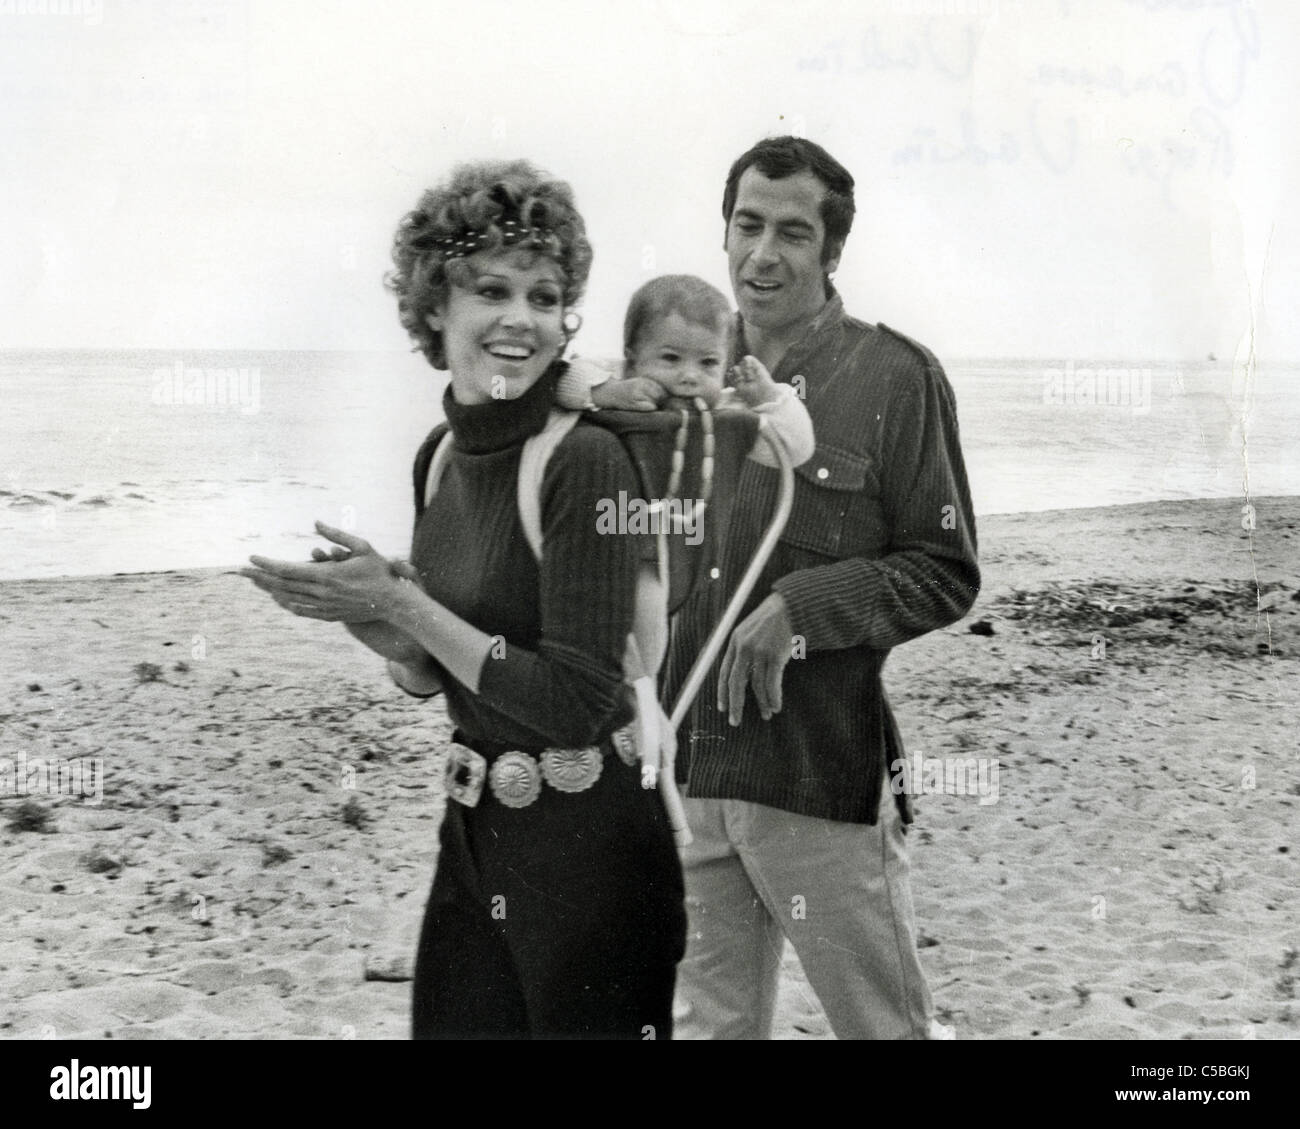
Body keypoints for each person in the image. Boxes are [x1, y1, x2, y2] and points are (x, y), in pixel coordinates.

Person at [240, 158, 686, 1039]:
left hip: (596, 855)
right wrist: (384, 627)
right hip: (474, 834)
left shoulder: (586, 460)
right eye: (492, 289)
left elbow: (573, 701)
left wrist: (406, 604)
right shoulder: (440, 456)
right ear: (434, 307)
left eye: (544, 295)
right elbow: (444, 674)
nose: (523, 317)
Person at [661, 136, 981, 1040]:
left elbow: (945, 570)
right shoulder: (682, 374)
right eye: (747, 225)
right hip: (687, 777)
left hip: (818, 779)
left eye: (792, 233)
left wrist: (801, 609)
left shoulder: (897, 376)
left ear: (833, 250)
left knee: (884, 1029)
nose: (762, 254)